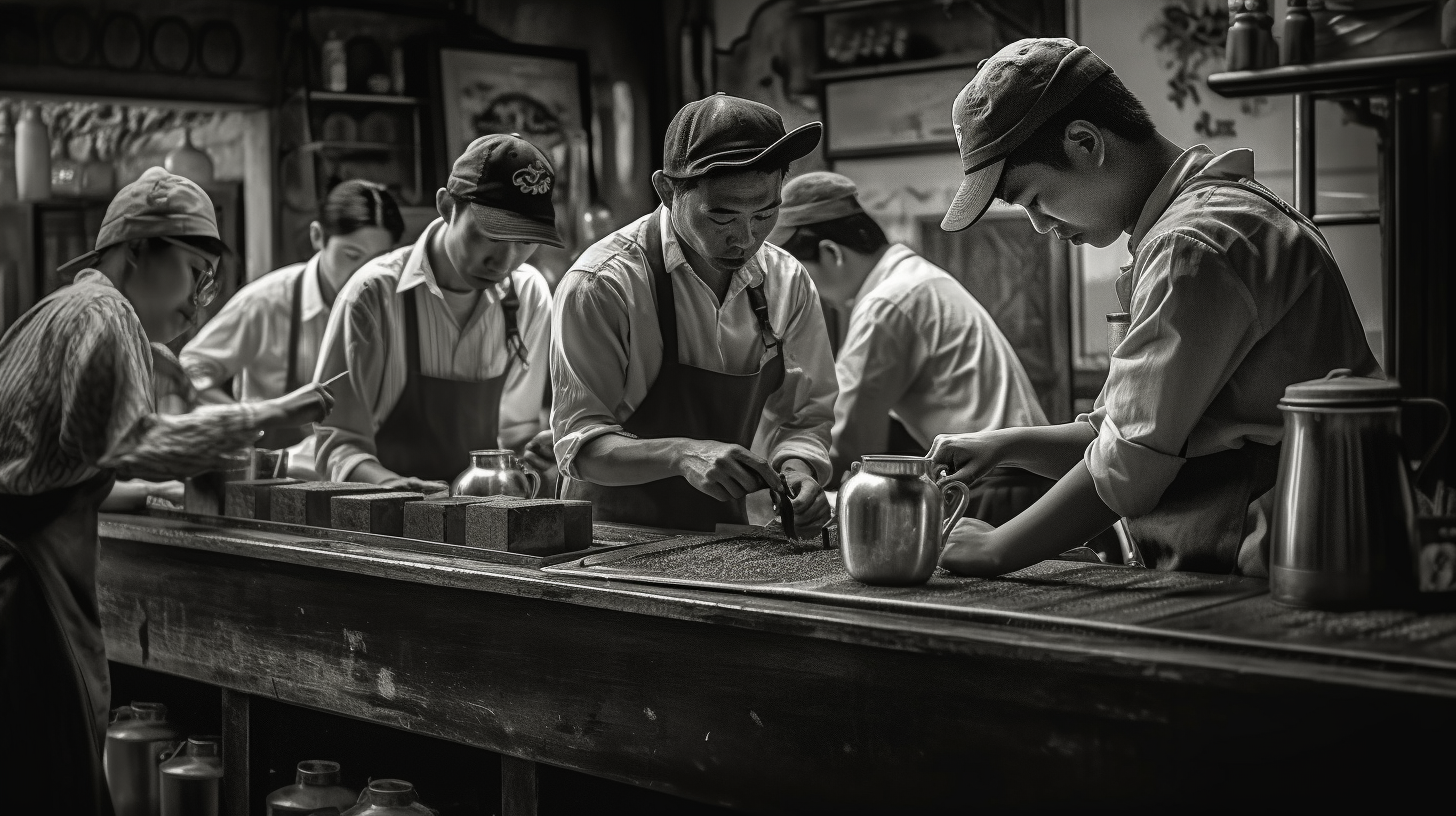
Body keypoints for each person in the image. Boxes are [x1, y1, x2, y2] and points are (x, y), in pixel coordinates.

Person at [928, 38, 1380, 576]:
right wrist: (1003, 446)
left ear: (1083, 142)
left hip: (1279, 570)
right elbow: (1119, 431)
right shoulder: (1210, 218)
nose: (1042, 226)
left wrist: (997, 549)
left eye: (1034, 199)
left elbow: (1127, 466)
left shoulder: (1191, 245)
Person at [0, 167, 335, 814]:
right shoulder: (106, 314)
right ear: (136, 252)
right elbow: (133, 445)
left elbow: (72, 461)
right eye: (193, 271)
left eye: (209, 281)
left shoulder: (59, 309)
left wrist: (164, 487)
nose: (198, 300)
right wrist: (262, 416)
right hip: (25, 594)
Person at [551, 93, 836, 535]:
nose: (745, 239)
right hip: (612, 541)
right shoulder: (603, 284)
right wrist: (681, 454)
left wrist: (799, 469)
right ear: (667, 191)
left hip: (726, 537)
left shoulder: (787, 282)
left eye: (765, 213)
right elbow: (579, 445)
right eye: (721, 217)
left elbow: (805, 416)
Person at [768, 171, 1049, 523]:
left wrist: (791, 474)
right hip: (1019, 476)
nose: (814, 296)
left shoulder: (886, 303)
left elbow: (848, 441)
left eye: (806, 279)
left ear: (831, 253)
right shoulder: (914, 279)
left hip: (989, 488)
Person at [313, 135, 558, 492]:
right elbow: (338, 441)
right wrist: (393, 489)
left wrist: (537, 455)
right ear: (446, 207)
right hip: (385, 521)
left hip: (483, 520)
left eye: (524, 242)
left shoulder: (528, 294)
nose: (504, 263)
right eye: (490, 235)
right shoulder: (373, 297)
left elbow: (515, 432)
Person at [181, 180, 403, 478]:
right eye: (352, 256)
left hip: (355, 481)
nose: (364, 273)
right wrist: (258, 417)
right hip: (275, 480)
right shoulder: (268, 302)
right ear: (317, 236)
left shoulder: (390, 306)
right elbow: (190, 371)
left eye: (378, 260)